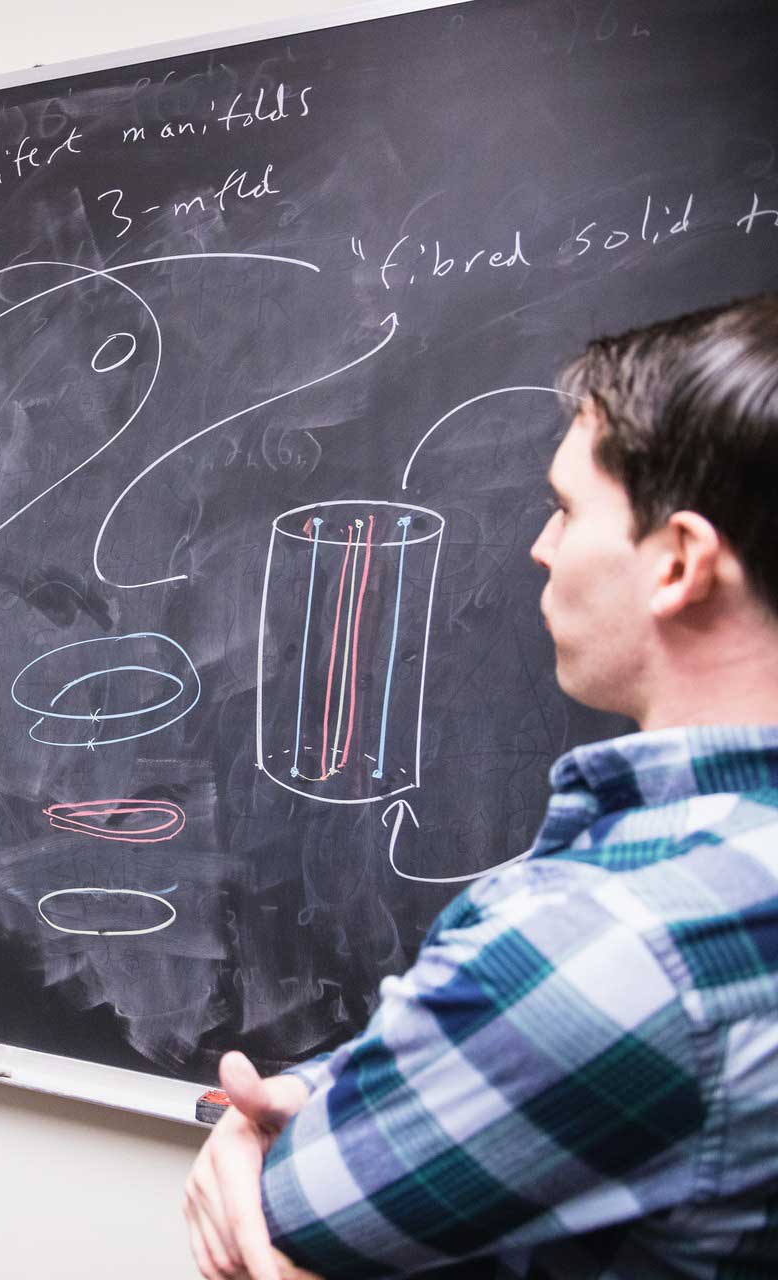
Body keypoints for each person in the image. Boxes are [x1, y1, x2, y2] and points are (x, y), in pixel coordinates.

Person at [183, 291, 778, 1279]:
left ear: (679, 561)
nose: (540, 548)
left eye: (564, 508)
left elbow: (295, 1226)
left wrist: (263, 1135)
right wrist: (352, 1092)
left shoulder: (621, 934)